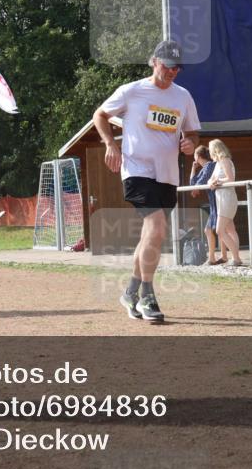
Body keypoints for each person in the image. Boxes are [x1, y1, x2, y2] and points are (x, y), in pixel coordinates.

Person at [93, 39, 200, 323]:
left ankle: (129, 292)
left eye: (177, 68)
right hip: (137, 170)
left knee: (150, 236)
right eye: (167, 66)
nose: (172, 72)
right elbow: (100, 115)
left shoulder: (183, 96)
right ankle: (147, 296)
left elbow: (192, 131)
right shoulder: (132, 91)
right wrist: (110, 145)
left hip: (167, 174)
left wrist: (189, 143)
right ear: (154, 61)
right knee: (157, 226)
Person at [207, 139, 243, 266]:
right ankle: (235, 257)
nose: (209, 153)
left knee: (219, 231)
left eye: (210, 150)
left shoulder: (225, 161)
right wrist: (211, 183)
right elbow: (210, 180)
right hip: (221, 199)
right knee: (230, 230)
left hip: (227, 198)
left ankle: (236, 258)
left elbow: (230, 179)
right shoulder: (217, 164)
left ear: (215, 150)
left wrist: (218, 182)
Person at [189, 145, 227, 265]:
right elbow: (193, 185)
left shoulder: (209, 166)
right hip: (214, 202)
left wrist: (195, 187)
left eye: (194, 155)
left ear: (198, 156)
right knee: (215, 229)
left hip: (217, 201)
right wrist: (193, 169)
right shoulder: (206, 167)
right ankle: (221, 256)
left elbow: (196, 186)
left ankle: (214, 257)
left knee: (211, 229)